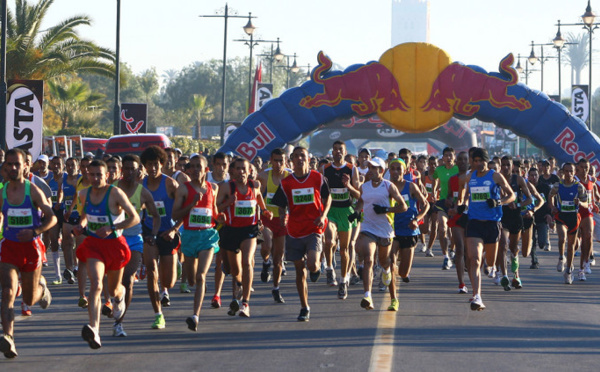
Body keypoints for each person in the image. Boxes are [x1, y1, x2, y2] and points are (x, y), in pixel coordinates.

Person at [73, 160, 139, 349]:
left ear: (107, 176)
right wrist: (81, 226)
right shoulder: (84, 194)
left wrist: (112, 227)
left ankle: (120, 296)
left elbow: (134, 218)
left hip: (114, 245)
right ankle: (94, 329)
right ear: (87, 174)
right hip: (94, 245)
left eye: (99, 175)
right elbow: (86, 215)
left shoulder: (115, 193)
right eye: (91, 174)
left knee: (113, 289)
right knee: (96, 284)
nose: (95, 178)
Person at [0, 148, 57, 359]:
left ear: (26, 166)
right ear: (5, 166)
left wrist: (35, 231)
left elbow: (52, 218)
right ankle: (8, 338)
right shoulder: (2, 191)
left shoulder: (32, 191)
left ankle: (42, 288)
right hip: (9, 248)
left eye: (17, 164)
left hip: (31, 249)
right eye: (9, 164)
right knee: (7, 291)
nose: (13, 168)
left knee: (30, 299)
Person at [270, 146, 331, 321]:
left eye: (302, 156)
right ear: (291, 160)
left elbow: (328, 198)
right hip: (295, 231)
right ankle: (304, 307)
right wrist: (283, 217)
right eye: (295, 156)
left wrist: (323, 215)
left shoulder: (318, 178)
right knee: (299, 271)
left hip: (314, 228)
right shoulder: (286, 183)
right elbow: (281, 205)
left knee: (311, 265)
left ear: (308, 158)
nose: (299, 159)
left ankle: (317, 265)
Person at [216, 158, 271, 318]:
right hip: (231, 230)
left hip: (250, 230)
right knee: (234, 269)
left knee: (247, 262)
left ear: (249, 171)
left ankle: (245, 303)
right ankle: (239, 284)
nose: (241, 172)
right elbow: (215, 208)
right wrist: (227, 204)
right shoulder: (227, 187)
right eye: (238, 169)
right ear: (233, 171)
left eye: (244, 169)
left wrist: (264, 210)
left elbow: (259, 196)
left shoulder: (254, 186)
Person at [172, 155, 223, 331]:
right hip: (189, 236)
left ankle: (195, 315)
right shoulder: (183, 190)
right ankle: (198, 286)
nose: (194, 170)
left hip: (207, 236)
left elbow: (213, 211)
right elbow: (175, 215)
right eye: (191, 167)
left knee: (201, 275)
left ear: (206, 169)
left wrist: (220, 217)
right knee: (192, 280)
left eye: (198, 167)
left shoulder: (212, 188)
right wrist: (191, 205)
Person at [461, 148, 515, 310]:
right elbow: (464, 196)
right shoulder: (470, 177)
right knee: (474, 260)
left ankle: (488, 263)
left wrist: (499, 202)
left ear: (486, 161)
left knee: (490, 262)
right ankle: (477, 296)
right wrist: (462, 207)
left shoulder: (495, 176)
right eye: (475, 161)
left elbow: (511, 195)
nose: (478, 164)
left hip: (492, 223)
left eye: (481, 161)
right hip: (474, 223)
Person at [113, 155, 160, 337]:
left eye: (133, 169)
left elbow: (155, 215)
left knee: (128, 280)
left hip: (134, 241)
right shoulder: (113, 189)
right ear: (121, 169)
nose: (129, 172)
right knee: (113, 284)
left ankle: (119, 323)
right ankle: (116, 300)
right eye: (126, 169)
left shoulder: (143, 192)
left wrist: (153, 235)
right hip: (114, 240)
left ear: (139, 170)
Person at [354, 157, 407, 310]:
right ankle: (367, 296)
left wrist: (386, 210)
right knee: (369, 259)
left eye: (374, 168)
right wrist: (356, 213)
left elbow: (403, 206)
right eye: (369, 167)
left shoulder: (389, 186)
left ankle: (393, 299)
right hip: (368, 228)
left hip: (385, 229)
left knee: (386, 262)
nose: (370, 170)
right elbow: (361, 203)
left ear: (381, 171)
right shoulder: (364, 186)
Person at [140, 146, 182, 329]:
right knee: (151, 271)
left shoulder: (171, 184)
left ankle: (176, 267)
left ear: (162, 164)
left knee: (168, 282)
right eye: (149, 165)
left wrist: (174, 229)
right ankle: (158, 314)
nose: (153, 168)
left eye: (156, 164)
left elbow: (184, 211)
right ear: (145, 166)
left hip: (168, 233)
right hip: (149, 232)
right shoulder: (140, 185)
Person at [321, 141, 360, 299]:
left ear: (345, 152)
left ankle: (343, 281)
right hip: (330, 210)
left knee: (344, 249)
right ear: (332, 151)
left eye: (340, 150)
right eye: (335, 149)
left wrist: (348, 186)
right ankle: (330, 268)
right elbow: (319, 191)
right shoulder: (325, 169)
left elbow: (358, 195)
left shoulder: (352, 169)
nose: (338, 152)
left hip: (346, 210)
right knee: (329, 241)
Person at [387, 158, 428, 310]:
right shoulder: (386, 187)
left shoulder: (411, 186)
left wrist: (417, 219)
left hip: (410, 231)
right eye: (393, 169)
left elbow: (426, 205)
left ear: (404, 171)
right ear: (389, 171)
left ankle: (396, 270)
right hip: (392, 230)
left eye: (399, 169)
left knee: (403, 273)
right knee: (390, 262)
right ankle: (393, 299)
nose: (396, 171)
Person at [257, 149, 290, 303]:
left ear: (286, 161)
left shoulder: (290, 177)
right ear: (270, 160)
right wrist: (259, 215)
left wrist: (288, 214)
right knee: (266, 246)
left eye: (281, 161)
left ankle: (276, 288)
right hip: (267, 219)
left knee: (278, 259)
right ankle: (265, 262)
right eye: (275, 160)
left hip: (282, 221)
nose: (278, 164)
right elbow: (257, 197)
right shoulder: (264, 176)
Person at [496, 156, 532, 291]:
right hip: (502, 217)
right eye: (503, 165)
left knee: (513, 248)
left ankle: (516, 275)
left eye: (508, 165)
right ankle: (504, 276)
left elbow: (529, 199)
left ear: (512, 166)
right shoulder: (497, 180)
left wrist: (518, 204)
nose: (505, 167)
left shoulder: (519, 180)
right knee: (503, 244)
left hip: (516, 218)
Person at [549, 163, 588, 284]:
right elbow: (550, 195)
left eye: (571, 171)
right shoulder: (558, 185)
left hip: (573, 217)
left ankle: (569, 271)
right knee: (562, 237)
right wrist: (552, 207)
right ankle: (561, 258)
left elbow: (586, 203)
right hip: (561, 216)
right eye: (566, 171)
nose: (568, 174)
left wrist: (580, 203)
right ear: (562, 172)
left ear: (574, 172)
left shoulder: (579, 187)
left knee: (571, 246)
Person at [207, 152, 230, 309]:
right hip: (204, 226)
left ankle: (217, 294)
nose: (221, 168)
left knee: (219, 261)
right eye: (218, 164)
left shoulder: (232, 181)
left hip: (225, 225)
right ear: (213, 164)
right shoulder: (205, 178)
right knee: (199, 263)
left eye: (224, 165)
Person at [432, 147, 459, 268]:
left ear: (454, 157)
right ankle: (446, 256)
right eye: (446, 155)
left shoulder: (458, 169)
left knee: (454, 231)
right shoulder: (439, 169)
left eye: (450, 155)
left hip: (455, 202)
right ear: (443, 158)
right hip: (443, 202)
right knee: (442, 228)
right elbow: (435, 180)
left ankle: (452, 250)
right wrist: (433, 191)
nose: (448, 158)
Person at [529, 167, 552, 268]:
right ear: (528, 176)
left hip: (542, 218)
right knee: (532, 240)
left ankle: (542, 242)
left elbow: (550, 203)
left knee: (542, 243)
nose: (533, 177)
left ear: (538, 176)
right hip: (529, 219)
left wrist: (549, 214)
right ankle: (534, 261)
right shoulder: (525, 187)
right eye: (531, 175)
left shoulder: (545, 188)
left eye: (535, 175)